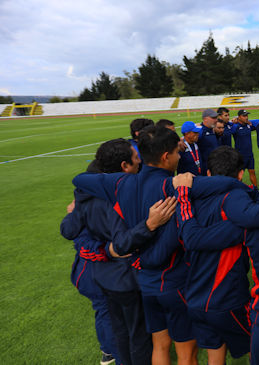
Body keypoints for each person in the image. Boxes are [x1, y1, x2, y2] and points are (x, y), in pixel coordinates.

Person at [72, 126, 198, 365]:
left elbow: (77, 186)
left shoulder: (113, 186)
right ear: (165, 156)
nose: (179, 156)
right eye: (176, 152)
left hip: (136, 282)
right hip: (163, 280)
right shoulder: (163, 188)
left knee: (153, 343)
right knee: (180, 351)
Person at [174, 146, 259, 365]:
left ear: (208, 173)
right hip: (226, 300)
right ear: (240, 174)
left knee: (214, 355)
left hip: (195, 298)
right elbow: (199, 237)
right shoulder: (240, 207)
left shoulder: (191, 201)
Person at [230, 109, 258, 187]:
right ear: (239, 117)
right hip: (240, 155)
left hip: (250, 154)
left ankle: (256, 190)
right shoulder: (235, 127)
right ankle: (238, 191)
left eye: (247, 115)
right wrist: (232, 121)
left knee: (252, 172)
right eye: (244, 116)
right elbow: (226, 129)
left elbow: (258, 123)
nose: (246, 117)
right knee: (240, 174)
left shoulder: (248, 125)